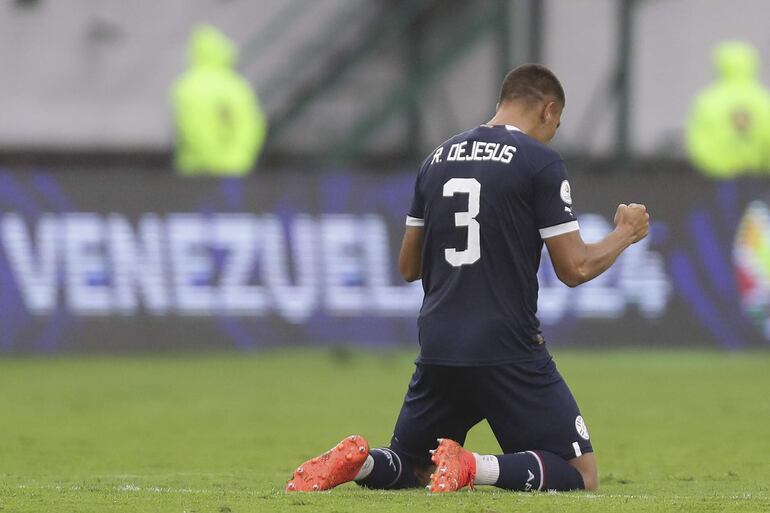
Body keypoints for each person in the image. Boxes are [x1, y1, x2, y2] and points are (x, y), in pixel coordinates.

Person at [286, 64, 649, 493]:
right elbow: (575, 268)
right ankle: (474, 466)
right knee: (580, 475)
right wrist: (626, 233)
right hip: (505, 344)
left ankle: (362, 464)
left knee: (413, 465)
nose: (553, 133)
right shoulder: (539, 162)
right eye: (557, 124)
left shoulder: (435, 159)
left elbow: (407, 267)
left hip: (439, 342)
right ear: (548, 110)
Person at [171, 25, 267, 177]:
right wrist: (237, 161)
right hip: (236, 170)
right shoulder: (238, 85)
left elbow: (193, 130)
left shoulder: (187, 85)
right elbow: (250, 126)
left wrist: (214, 161)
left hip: (196, 171)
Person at [685, 41, 770, 179]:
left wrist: (715, 167)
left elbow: (698, 141)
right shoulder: (764, 99)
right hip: (758, 178)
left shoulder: (707, 100)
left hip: (717, 179)